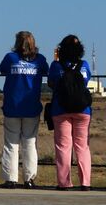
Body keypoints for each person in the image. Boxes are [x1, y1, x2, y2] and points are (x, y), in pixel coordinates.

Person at [0, 30, 49, 189]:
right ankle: (29, 179)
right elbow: (46, 71)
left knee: (11, 143)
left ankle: (10, 178)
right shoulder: (40, 60)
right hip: (31, 107)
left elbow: (2, 69)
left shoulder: (11, 58)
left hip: (12, 106)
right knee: (30, 143)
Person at [47, 34, 92, 191]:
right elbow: (86, 81)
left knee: (63, 146)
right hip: (83, 110)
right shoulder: (84, 65)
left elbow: (51, 83)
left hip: (61, 109)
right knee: (82, 146)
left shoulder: (55, 66)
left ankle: (64, 183)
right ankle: (85, 182)